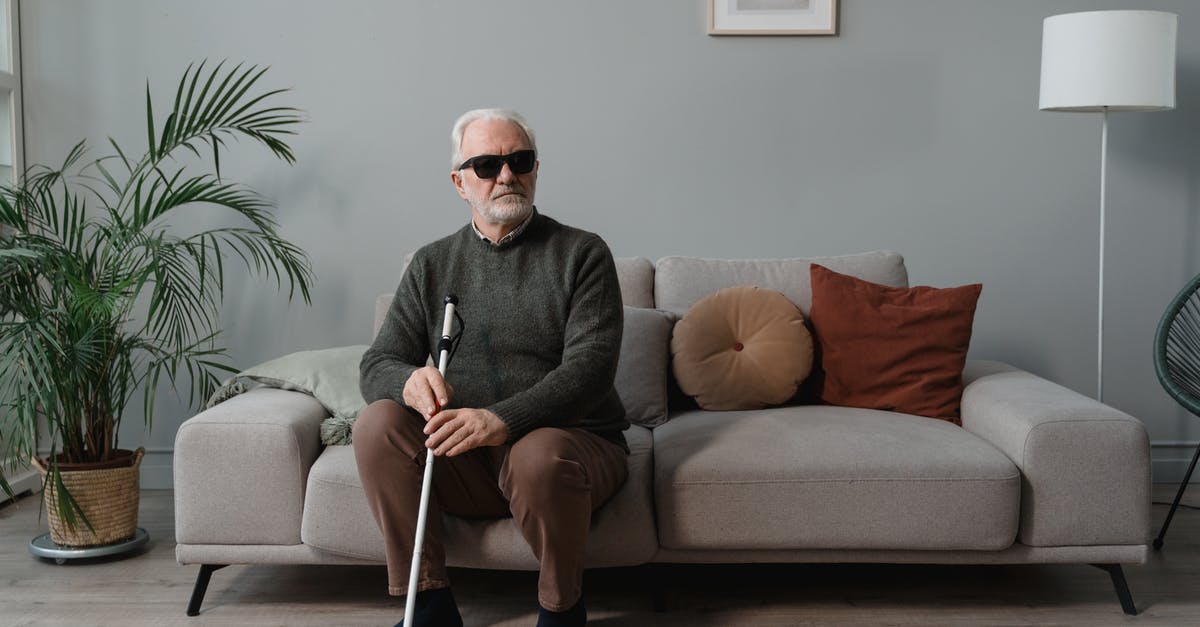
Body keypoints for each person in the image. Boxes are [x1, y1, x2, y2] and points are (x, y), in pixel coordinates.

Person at [354, 108, 630, 627]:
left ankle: (561, 610)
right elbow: (377, 364)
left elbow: (590, 371)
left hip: (570, 448)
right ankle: (431, 605)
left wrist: (499, 419)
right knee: (376, 425)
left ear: (535, 168)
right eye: (486, 165)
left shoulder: (582, 253)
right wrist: (409, 382)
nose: (506, 175)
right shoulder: (431, 263)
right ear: (460, 182)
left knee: (537, 455)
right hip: (466, 459)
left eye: (519, 160)